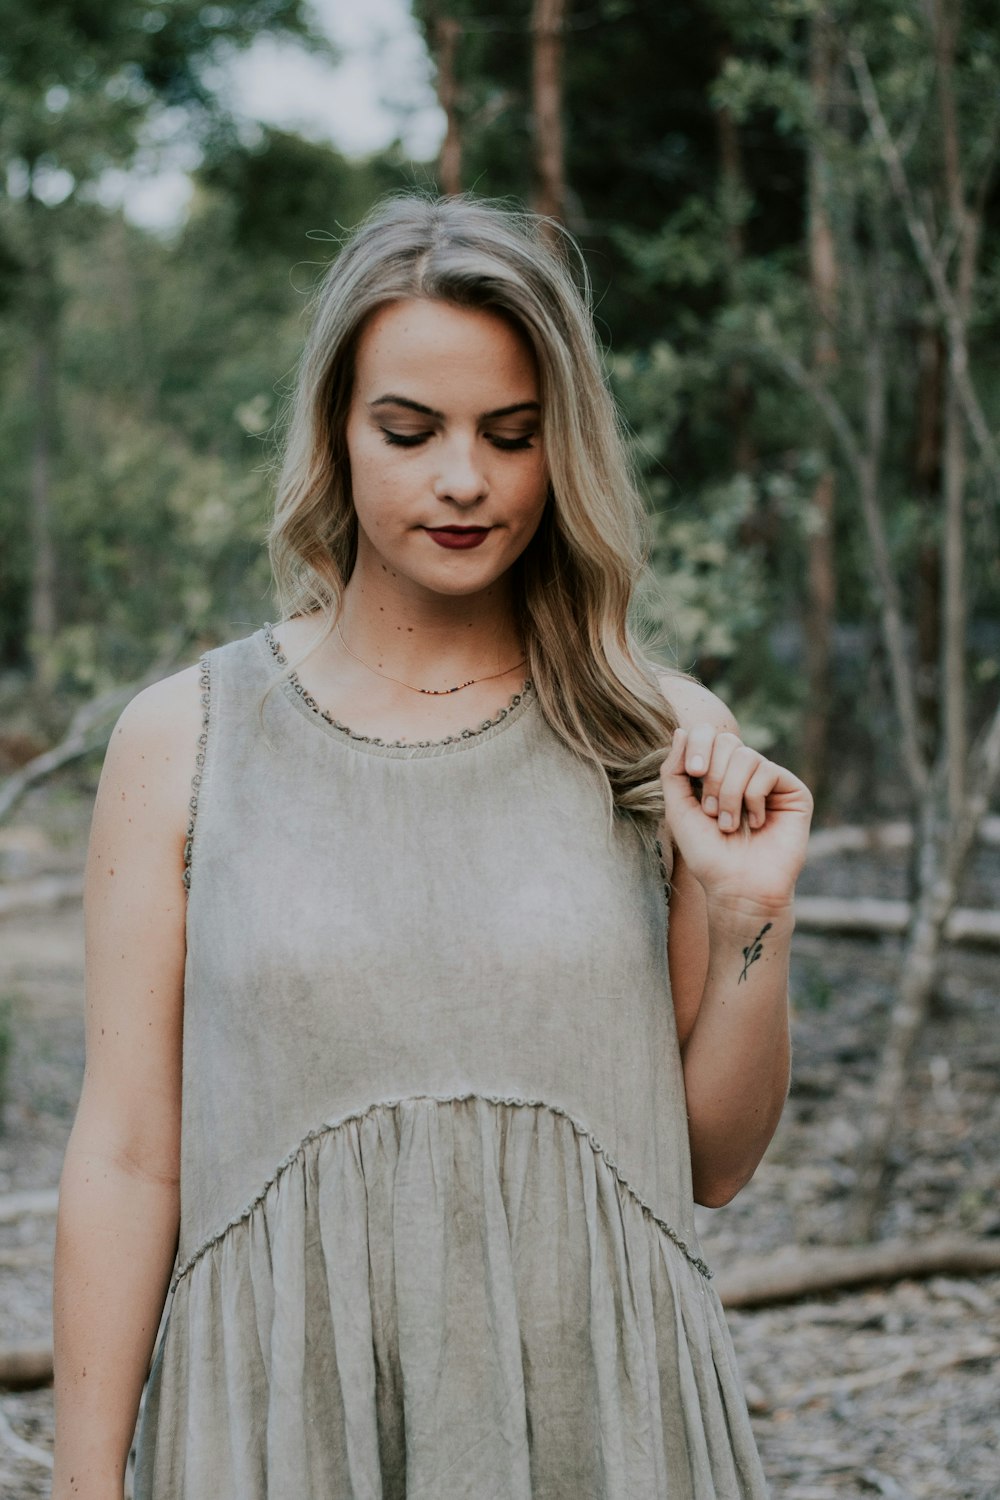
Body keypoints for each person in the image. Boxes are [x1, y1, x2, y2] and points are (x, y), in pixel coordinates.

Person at [51, 193, 813, 1499]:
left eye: (510, 436)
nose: (463, 478)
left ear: (559, 449)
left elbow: (717, 1162)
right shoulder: (185, 739)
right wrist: (82, 1482)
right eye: (410, 430)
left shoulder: (657, 731)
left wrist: (749, 919)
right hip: (279, 1429)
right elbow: (127, 1153)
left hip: (604, 1430)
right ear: (337, 435)